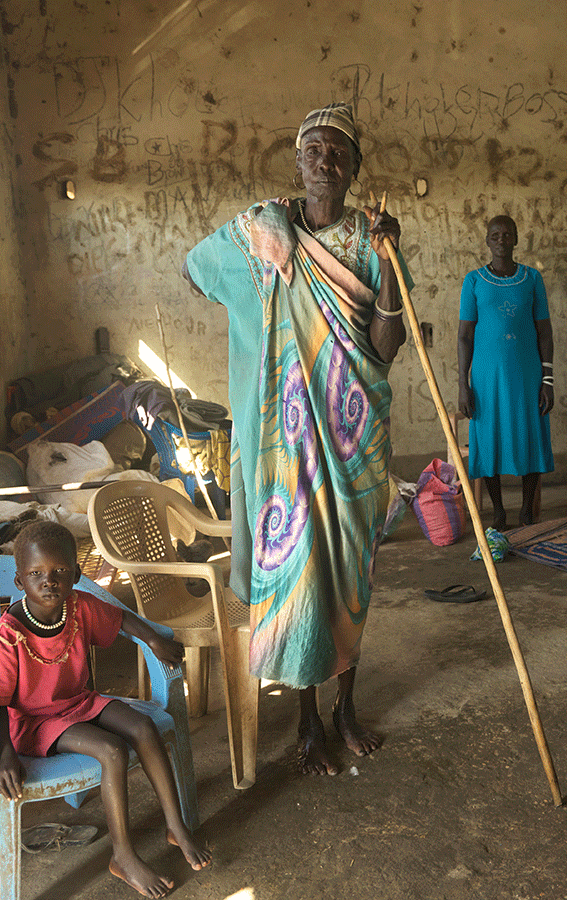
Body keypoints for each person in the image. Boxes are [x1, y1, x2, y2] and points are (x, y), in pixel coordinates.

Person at [183, 102, 410, 775]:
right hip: (285, 444)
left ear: (353, 167)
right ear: (298, 163)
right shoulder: (263, 230)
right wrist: (258, 304)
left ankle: (345, 707)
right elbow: (194, 270)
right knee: (297, 577)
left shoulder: (372, 242)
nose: (324, 161)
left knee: (348, 577)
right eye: (313, 150)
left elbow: (387, 345)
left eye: (337, 152)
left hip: (353, 439)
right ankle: (308, 720)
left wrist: (393, 267)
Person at [0, 521, 210, 899]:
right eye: (36, 574)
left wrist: (151, 638)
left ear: (76, 575)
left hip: (79, 702)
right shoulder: (10, 633)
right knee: (111, 750)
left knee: (144, 727)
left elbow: (121, 619)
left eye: (60, 572)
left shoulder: (78, 607)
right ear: (20, 581)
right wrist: (5, 755)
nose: (48, 581)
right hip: (36, 723)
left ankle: (175, 826)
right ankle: (123, 857)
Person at [457, 215, 554, 530]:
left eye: (507, 234)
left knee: (531, 436)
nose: (501, 239)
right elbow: (464, 336)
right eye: (495, 234)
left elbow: (545, 332)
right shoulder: (474, 281)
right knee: (488, 440)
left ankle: (527, 510)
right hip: (486, 379)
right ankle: (498, 511)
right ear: (487, 240)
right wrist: (463, 385)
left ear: (515, 239)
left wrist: (548, 380)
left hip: (527, 375)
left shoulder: (532, 278)